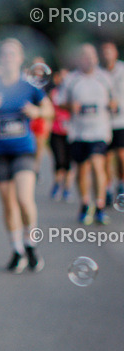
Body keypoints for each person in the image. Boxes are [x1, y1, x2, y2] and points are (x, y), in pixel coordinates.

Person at [0, 38, 53, 272]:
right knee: (8, 203)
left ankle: (31, 243)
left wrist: (36, 111)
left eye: (13, 54)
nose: (8, 58)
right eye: (5, 54)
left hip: (23, 151)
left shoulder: (30, 86)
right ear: (1, 59)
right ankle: (17, 250)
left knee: (24, 198)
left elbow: (49, 111)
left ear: (20, 59)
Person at [62, 43, 116, 224]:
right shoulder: (71, 79)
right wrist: (71, 106)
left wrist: (112, 105)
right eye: (85, 56)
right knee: (81, 170)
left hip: (99, 130)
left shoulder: (105, 78)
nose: (89, 59)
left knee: (97, 164)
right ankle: (86, 203)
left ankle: (100, 205)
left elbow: (114, 99)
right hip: (78, 132)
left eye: (92, 56)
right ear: (79, 59)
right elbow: (61, 102)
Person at [100, 41, 124, 200]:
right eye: (104, 52)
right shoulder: (98, 73)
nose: (107, 55)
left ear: (116, 53)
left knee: (121, 154)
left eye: (110, 51)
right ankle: (108, 186)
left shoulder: (122, 70)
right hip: (103, 121)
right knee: (106, 157)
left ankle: (121, 183)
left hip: (121, 120)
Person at [48, 69, 74, 202]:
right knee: (59, 160)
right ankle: (57, 183)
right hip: (56, 131)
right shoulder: (55, 93)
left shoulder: (74, 93)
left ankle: (67, 188)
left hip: (71, 132)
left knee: (68, 162)